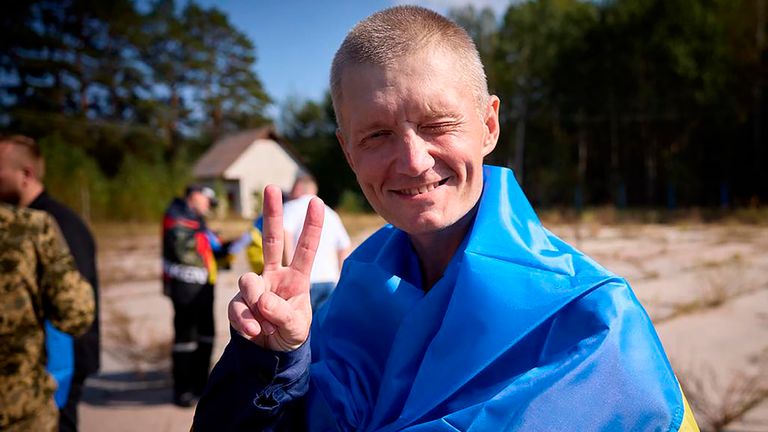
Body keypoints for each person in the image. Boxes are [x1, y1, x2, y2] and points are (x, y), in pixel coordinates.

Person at [194, 6, 699, 431]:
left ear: (488, 125)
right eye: (376, 136)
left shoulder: (593, 320)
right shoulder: (350, 296)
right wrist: (273, 361)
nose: (413, 161)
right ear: (347, 153)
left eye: (437, 124)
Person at [0, 134, 100, 432]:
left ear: (25, 174)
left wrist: (60, 377)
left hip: (59, 372)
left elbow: (74, 312)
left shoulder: (52, 223)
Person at [162, 184, 226, 408]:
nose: (209, 206)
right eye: (208, 201)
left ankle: (201, 385)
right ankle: (183, 390)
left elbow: (204, 249)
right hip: (186, 289)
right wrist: (208, 242)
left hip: (204, 287)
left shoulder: (197, 220)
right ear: (195, 196)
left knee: (206, 336)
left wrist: (223, 249)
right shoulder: (177, 216)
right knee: (186, 340)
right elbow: (185, 250)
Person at [282, 173, 351, 311]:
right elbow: (344, 246)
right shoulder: (330, 213)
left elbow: (285, 237)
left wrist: (288, 270)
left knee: (301, 329)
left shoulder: (290, 208)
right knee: (323, 329)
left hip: (304, 281)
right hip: (329, 280)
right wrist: (339, 277)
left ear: (298, 188)